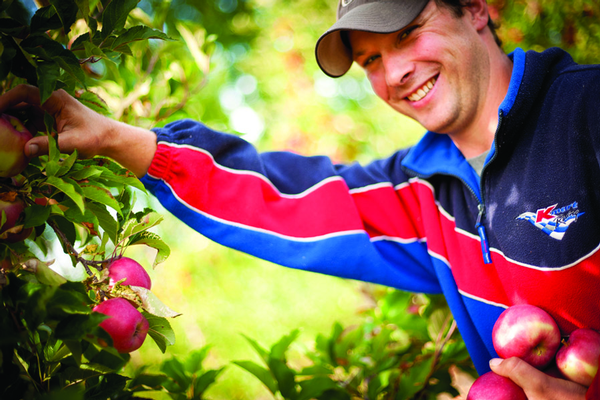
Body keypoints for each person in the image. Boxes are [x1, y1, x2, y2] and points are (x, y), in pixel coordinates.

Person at [0, 0, 599, 398]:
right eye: (370, 59)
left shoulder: (588, 114)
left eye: (408, 34)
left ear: (476, 8)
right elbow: (279, 197)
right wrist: (117, 139)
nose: (393, 74)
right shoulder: (423, 193)